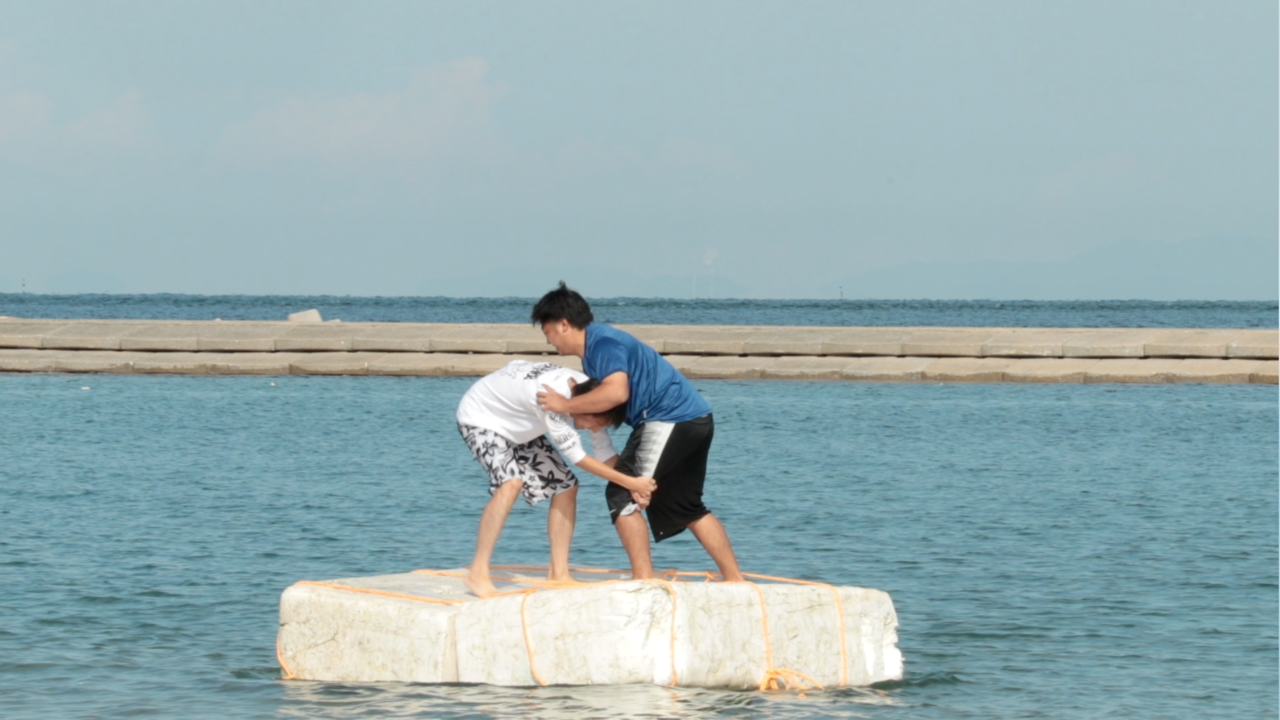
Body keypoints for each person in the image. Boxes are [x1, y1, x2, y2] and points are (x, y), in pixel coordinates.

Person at [533, 282, 745, 583]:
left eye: (548, 332)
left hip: (669, 419)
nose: (548, 340)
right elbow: (605, 412)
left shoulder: (602, 345)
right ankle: (736, 581)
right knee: (685, 506)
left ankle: (643, 580)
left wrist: (564, 405)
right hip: (694, 419)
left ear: (563, 324)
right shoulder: (596, 348)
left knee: (620, 494)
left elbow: (616, 393)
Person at [456, 359, 656, 598]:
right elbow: (578, 457)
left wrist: (636, 486)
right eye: (597, 424)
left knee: (566, 486)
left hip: (520, 423)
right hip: (481, 417)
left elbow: (604, 453)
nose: (595, 429)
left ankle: (558, 573)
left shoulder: (593, 398)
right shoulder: (550, 398)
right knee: (510, 484)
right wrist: (631, 483)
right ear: (585, 410)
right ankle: (478, 573)